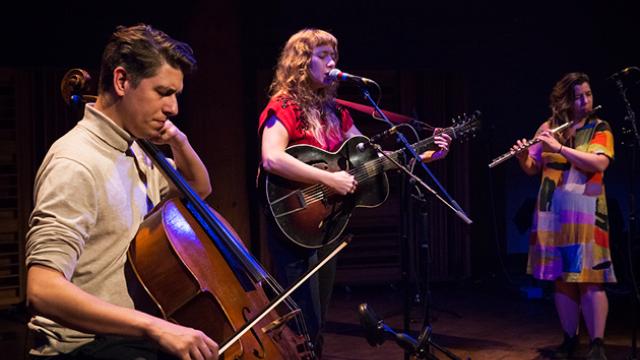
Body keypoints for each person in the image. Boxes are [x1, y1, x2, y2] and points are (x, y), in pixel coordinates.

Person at [25, 24, 219, 360]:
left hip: (126, 341)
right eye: (163, 92)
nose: (173, 107)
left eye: (176, 95)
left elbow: (199, 190)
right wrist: (154, 327)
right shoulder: (75, 162)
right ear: (122, 81)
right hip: (86, 348)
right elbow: (42, 289)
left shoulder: (135, 151)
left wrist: (178, 140)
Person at [257, 28, 451, 356]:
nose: (332, 62)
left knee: (317, 319)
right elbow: (271, 158)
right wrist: (332, 181)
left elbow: (371, 158)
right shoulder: (284, 106)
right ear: (302, 62)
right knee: (303, 316)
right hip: (293, 215)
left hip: (326, 222)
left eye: (333, 55)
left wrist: (429, 153)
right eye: (323, 55)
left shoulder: (336, 111)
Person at [512, 72, 615, 360]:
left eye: (588, 94)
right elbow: (533, 166)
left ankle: (597, 344)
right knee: (561, 278)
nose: (585, 100)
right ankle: (570, 339)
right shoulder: (548, 127)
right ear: (566, 101)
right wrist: (522, 157)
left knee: (590, 278)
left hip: (586, 212)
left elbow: (599, 162)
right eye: (579, 96)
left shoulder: (599, 127)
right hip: (552, 214)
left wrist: (560, 148)